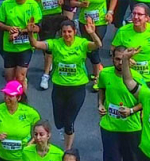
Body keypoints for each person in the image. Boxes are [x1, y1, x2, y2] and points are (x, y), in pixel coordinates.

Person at [30, 19, 102, 150]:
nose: (67, 34)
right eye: (64, 32)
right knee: (59, 122)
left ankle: (67, 150)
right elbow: (35, 44)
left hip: (77, 88)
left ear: (74, 32)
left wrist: (92, 33)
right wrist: (30, 33)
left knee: (69, 122)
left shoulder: (82, 43)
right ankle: (65, 130)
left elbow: (98, 44)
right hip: (59, 88)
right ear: (60, 33)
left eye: (69, 31)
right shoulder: (55, 44)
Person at [96, 45, 143, 161]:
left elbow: (145, 102)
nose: (120, 62)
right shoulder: (104, 74)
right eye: (117, 59)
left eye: (123, 59)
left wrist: (131, 111)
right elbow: (101, 88)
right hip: (109, 127)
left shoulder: (136, 77)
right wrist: (100, 104)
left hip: (131, 128)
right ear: (112, 59)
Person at [0, 81, 41, 161]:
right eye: (5, 94)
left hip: (24, 157)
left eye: (10, 95)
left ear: (18, 97)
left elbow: (41, 133)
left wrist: (30, 144)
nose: (7, 98)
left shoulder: (30, 113)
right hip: (3, 157)